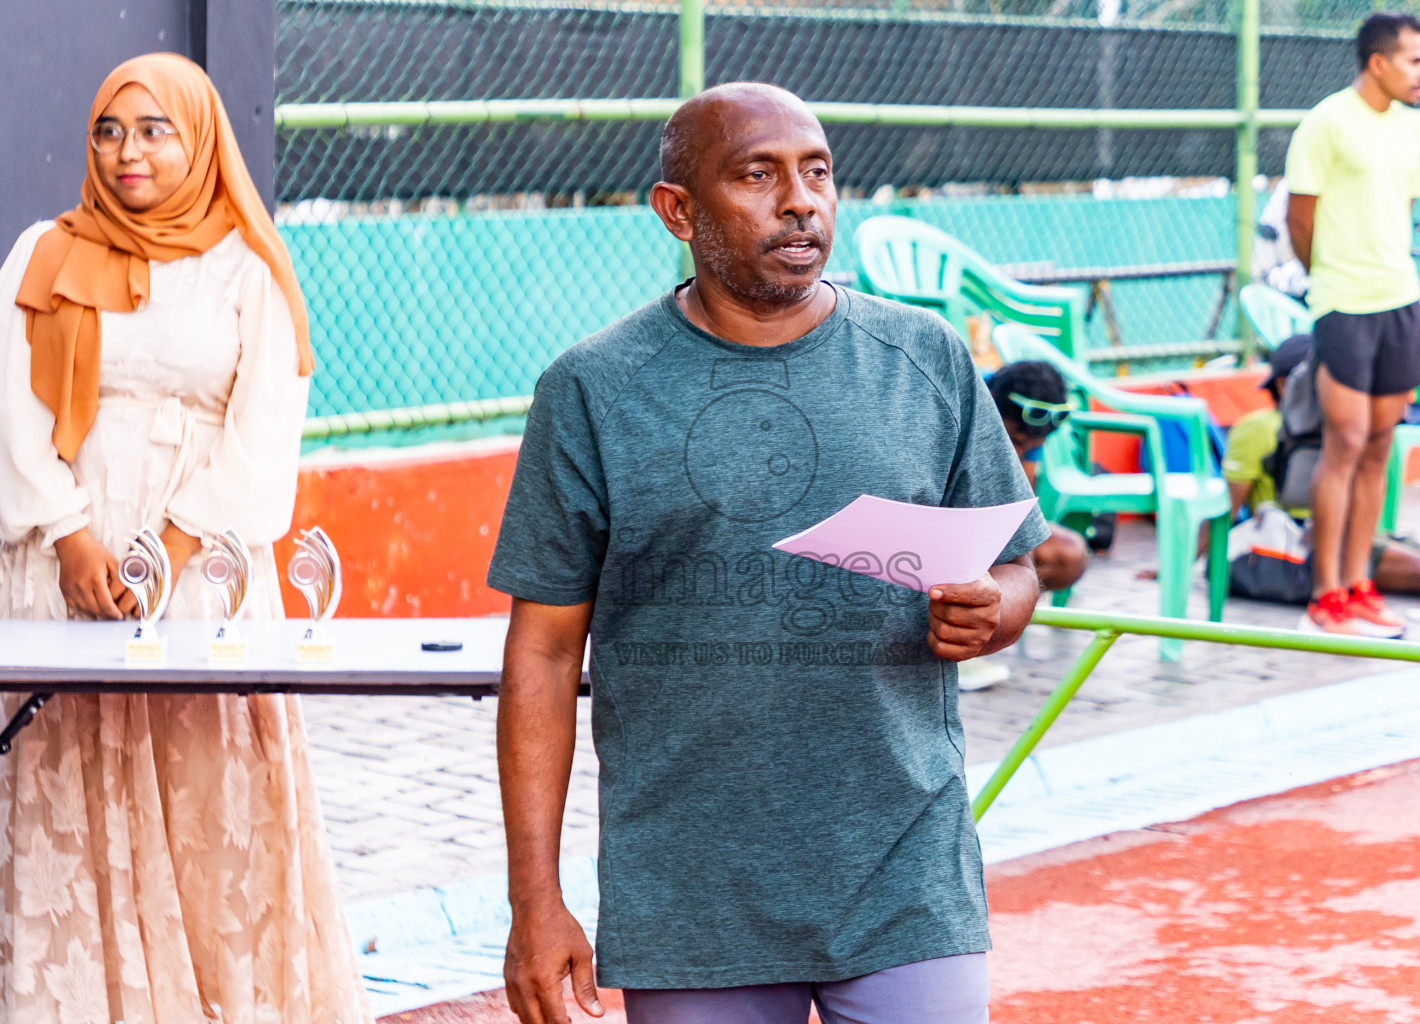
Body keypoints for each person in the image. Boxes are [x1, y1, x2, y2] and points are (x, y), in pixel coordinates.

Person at [488, 83, 1049, 1024]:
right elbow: (542, 653)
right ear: (678, 211)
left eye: (818, 172)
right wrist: (534, 901)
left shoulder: (927, 356)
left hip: (906, 875)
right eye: (759, 175)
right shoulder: (592, 389)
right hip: (690, 894)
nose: (802, 201)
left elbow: (1020, 564)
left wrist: (998, 609)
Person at [0, 54, 372, 1023]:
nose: (130, 152)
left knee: (208, 783)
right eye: (110, 130)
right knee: (67, 769)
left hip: (203, 574)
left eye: (157, 128)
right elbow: (9, 404)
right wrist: (71, 535)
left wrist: (161, 553)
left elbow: (263, 432)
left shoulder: (249, 267)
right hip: (58, 566)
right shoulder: (43, 251)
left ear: (201, 138)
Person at [1284, 11, 1420, 636]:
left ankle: (1360, 587)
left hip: (1401, 302)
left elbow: (1399, 211)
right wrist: (1333, 279)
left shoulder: (1414, 128)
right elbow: (1300, 219)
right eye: (1414, 60)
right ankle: (1327, 597)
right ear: (1378, 61)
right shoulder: (1326, 122)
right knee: (1342, 443)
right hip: (1343, 306)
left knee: (1378, 445)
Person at [1224, 336, 1420, 612]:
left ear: (1281, 384)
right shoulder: (1348, 427)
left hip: (1316, 539)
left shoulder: (1257, 426)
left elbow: (1225, 511)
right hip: (1353, 534)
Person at [987, 360, 1090, 592]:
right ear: (989, 400)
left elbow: (1018, 509)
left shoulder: (1033, 423)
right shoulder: (952, 404)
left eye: (1029, 448)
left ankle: (996, 615)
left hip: (983, 534)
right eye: (1013, 441)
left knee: (1070, 555)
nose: (1018, 455)